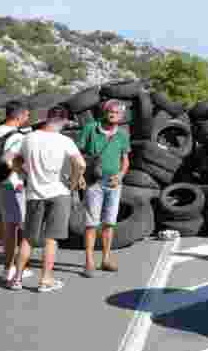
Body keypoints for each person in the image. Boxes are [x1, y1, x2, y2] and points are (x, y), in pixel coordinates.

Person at [13, 106, 85, 293]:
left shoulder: (29, 138)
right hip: (59, 193)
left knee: (27, 239)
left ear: (48, 118)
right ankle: (45, 280)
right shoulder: (64, 140)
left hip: (34, 193)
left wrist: (25, 174)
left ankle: (17, 279)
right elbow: (81, 164)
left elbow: (15, 162)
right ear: (62, 121)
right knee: (51, 239)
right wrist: (74, 183)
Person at [0, 100, 33, 283]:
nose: (28, 118)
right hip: (10, 186)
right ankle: (8, 269)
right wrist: (24, 172)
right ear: (18, 116)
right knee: (12, 228)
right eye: (26, 115)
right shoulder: (17, 137)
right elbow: (6, 160)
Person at [76, 99, 131, 278]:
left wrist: (121, 175)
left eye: (118, 113)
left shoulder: (122, 134)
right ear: (105, 112)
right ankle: (89, 262)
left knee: (109, 223)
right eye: (111, 111)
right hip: (93, 182)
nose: (114, 115)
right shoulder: (90, 128)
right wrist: (79, 176)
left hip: (114, 184)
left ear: (122, 116)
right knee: (91, 223)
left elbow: (125, 160)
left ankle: (106, 258)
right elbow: (76, 154)